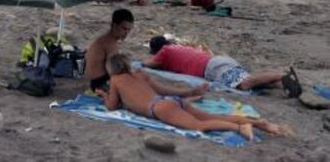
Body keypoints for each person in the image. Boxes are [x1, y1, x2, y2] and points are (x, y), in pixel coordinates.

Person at [96, 54, 293, 141]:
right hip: (171, 102)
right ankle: (260, 123)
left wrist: (104, 94)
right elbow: (165, 89)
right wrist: (188, 93)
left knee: (199, 126)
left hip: (160, 109)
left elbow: (112, 107)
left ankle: (240, 127)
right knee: (208, 118)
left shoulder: (115, 80)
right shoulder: (140, 74)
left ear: (112, 69)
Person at [143, 37, 288, 92]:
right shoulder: (180, 47)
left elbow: (147, 64)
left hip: (211, 67)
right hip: (220, 61)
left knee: (244, 84)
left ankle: (281, 75)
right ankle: (281, 83)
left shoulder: (165, 51)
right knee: (255, 83)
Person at [85, 9, 134, 92]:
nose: (126, 33)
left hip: (97, 81)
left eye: (129, 30)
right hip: (100, 84)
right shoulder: (109, 44)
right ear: (114, 25)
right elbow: (113, 71)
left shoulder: (105, 40)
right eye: (124, 29)